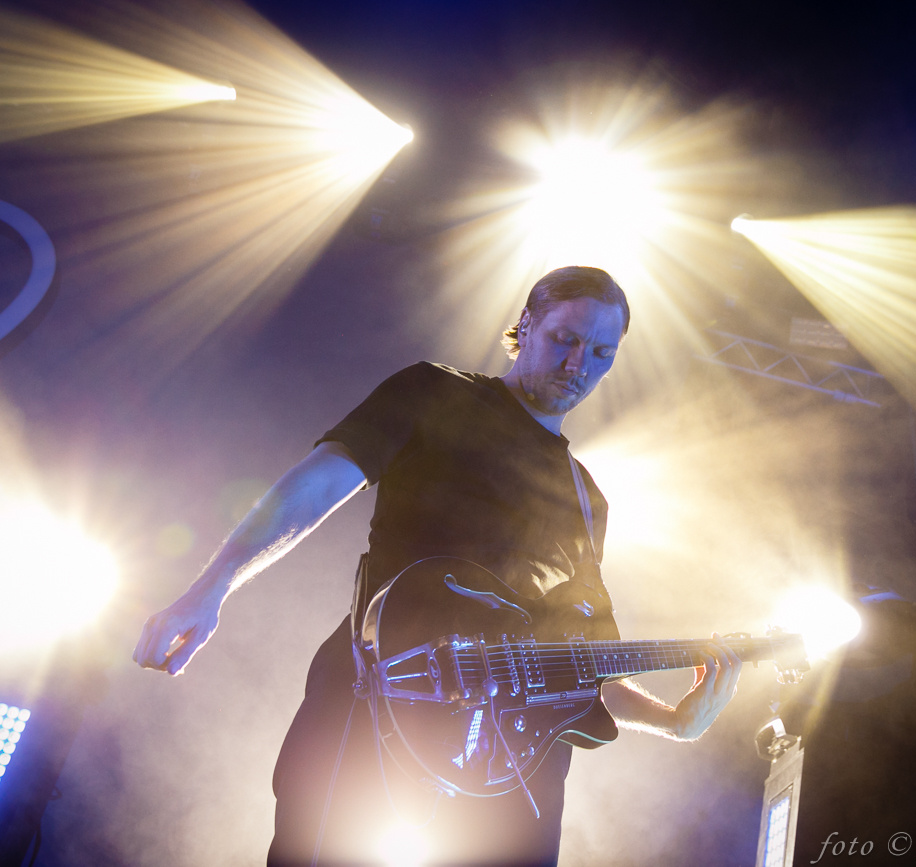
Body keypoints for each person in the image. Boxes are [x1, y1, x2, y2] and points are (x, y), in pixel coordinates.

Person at [134, 266, 742, 866]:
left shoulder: (588, 501)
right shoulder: (437, 393)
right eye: (566, 338)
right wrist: (213, 585)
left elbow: (586, 664)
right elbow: (317, 485)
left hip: (510, 776)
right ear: (527, 324)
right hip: (379, 706)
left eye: (602, 352)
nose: (578, 364)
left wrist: (672, 721)